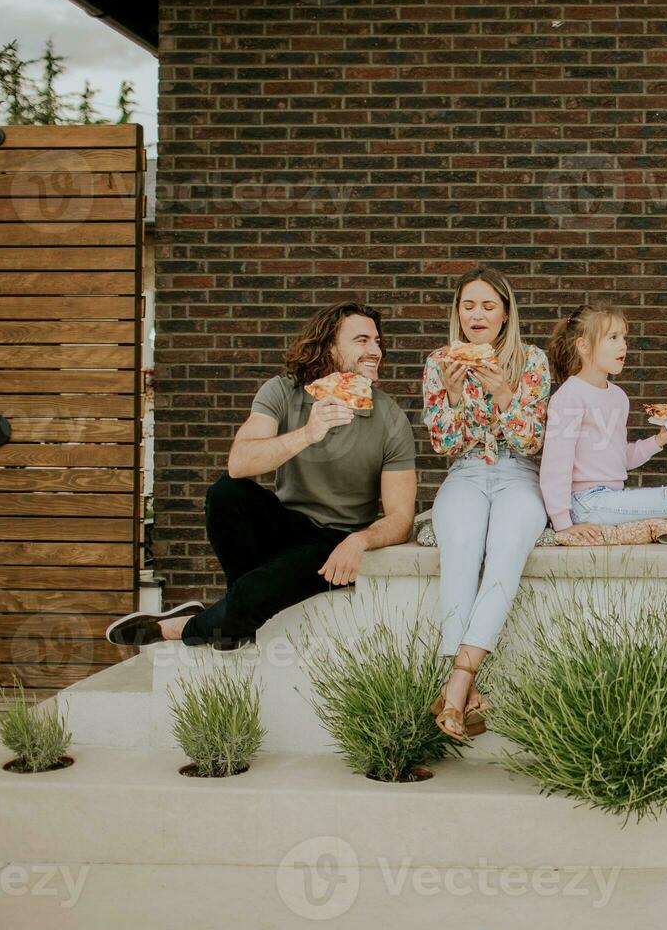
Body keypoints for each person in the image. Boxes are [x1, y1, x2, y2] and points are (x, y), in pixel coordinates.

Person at [106, 302, 417, 649]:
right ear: (330, 345)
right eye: (362, 340)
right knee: (227, 493)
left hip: (334, 541)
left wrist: (360, 541)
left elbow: (402, 517)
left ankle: (183, 627)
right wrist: (307, 433)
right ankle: (237, 614)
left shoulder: (390, 419)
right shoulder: (284, 391)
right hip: (285, 524)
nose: (375, 350)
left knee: (256, 591)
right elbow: (238, 463)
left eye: (377, 342)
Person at [421, 267, 551, 742]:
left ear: (505, 314)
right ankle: (466, 693)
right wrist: (454, 396)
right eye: (468, 305)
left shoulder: (532, 361)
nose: (477, 314)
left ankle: (455, 686)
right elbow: (445, 445)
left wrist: (502, 392)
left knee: (506, 552)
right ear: (457, 313)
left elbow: (531, 440)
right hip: (466, 472)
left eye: (488, 306)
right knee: (459, 551)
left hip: (519, 471)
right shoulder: (440, 362)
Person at [539, 302, 667, 545]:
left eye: (624, 337)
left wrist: (660, 438)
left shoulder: (618, 397)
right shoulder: (569, 397)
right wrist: (562, 523)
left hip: (613, 498)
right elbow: (555, 464)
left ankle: (663, 529)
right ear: (583, 345)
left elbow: (622, 459)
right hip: (585, 504)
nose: (623, 345)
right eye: (613, 337)